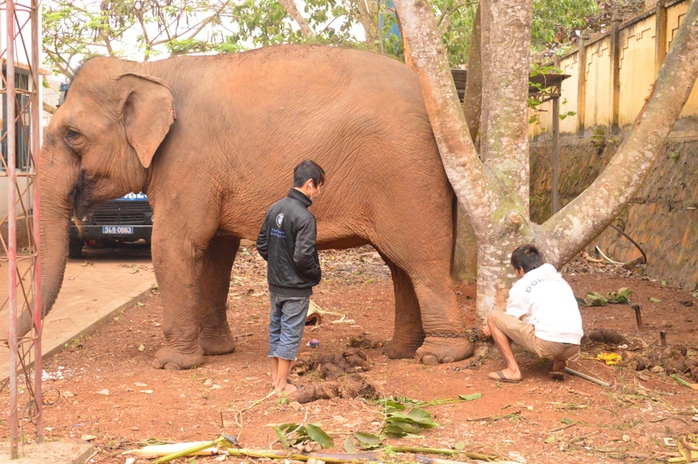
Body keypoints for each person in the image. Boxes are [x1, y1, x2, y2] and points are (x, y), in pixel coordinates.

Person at [256, 160, 324, 395]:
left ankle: (276, 381)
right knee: (290, 334)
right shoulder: (305, 217)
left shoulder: (275, 208)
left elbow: (262, 244)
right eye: (318, 187)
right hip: (295, 288)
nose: (318, 193)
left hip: (275, 284)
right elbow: (304, 257)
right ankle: (283, 386)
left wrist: (277, 265)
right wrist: (315, 275)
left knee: (276, 329)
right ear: (310, 184)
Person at [482, 244, 583, 383]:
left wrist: (492, 327)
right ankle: (559, 363)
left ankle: (512, 370)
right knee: (552, 318)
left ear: (521, 269)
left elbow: (511, 318)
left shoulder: (522, 284)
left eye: (515, 270)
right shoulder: (560, 281)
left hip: (549, 344)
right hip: (574, 346)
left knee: (493, 318)